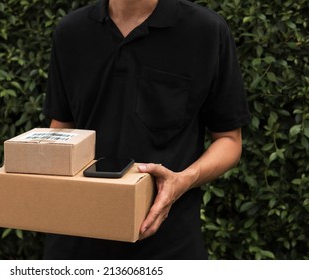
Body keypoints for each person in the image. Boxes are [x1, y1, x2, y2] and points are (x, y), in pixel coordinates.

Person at [42, 0, 251, 259]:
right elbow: (62, 128)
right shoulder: (71, 31)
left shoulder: (205, 30)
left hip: (167, 243)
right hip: (74, 241)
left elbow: (229, 140)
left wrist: (183, 180)